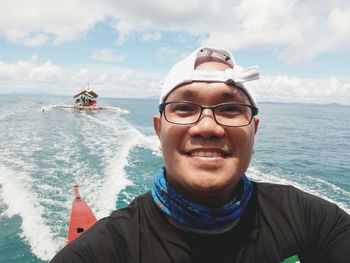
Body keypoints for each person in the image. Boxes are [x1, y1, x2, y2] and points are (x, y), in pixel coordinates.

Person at [50, 47, 350, 263]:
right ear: (158, 131)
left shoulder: (313, 220)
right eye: (184, 108)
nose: (207, 127)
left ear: (254, 130)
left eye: (231, 109)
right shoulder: (107, 249)